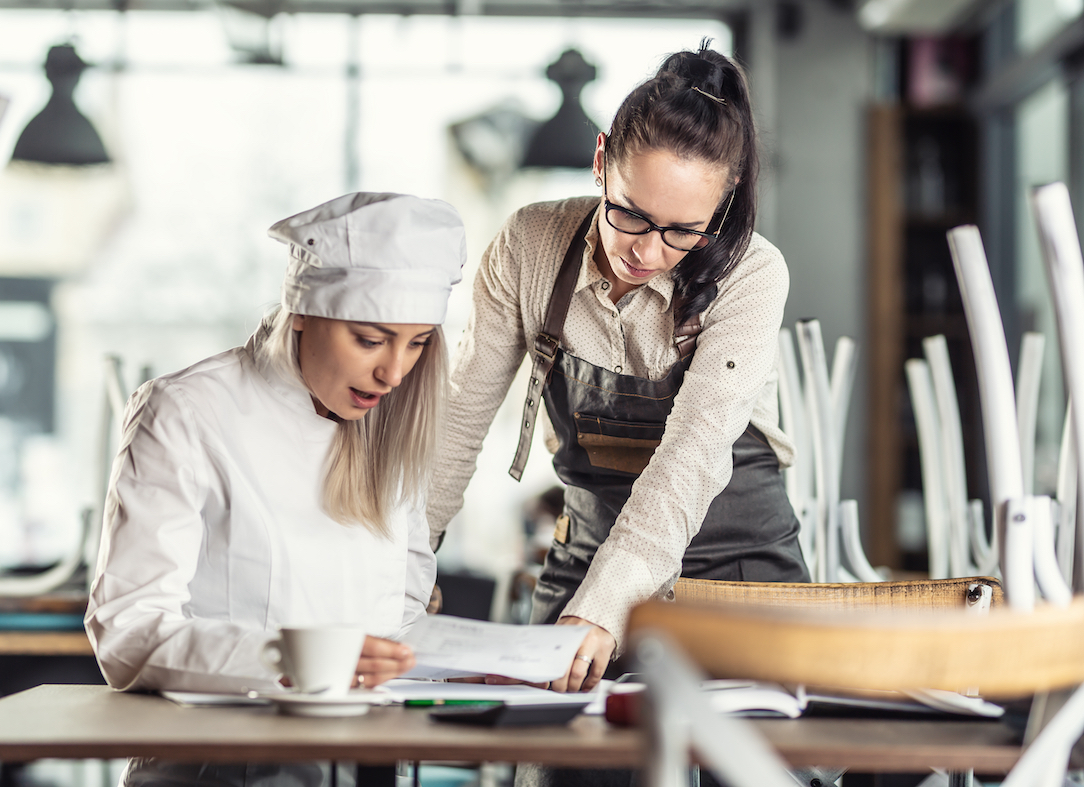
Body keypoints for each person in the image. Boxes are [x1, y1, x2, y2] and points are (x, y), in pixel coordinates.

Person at [428, 40, 810, 697]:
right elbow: (458, 418)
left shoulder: (752, 273)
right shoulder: (530, 245)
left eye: (682, 232)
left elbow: (690, 459)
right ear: (602, 162)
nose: (647, 251)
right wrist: (402, 562)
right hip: (589, 548)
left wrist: (599, 612)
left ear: (723, 205)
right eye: (629, 215)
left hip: (738, 568)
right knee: (557, 760)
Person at [85, 192, 466, 787]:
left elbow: (401, 610)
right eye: (371, 339)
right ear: (305, 313)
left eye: (417, 344)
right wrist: (288, 659)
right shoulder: (187, 413)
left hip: (368, 761)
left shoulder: (392, 423)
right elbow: (128, 634)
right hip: (215, 766)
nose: (394, 373)